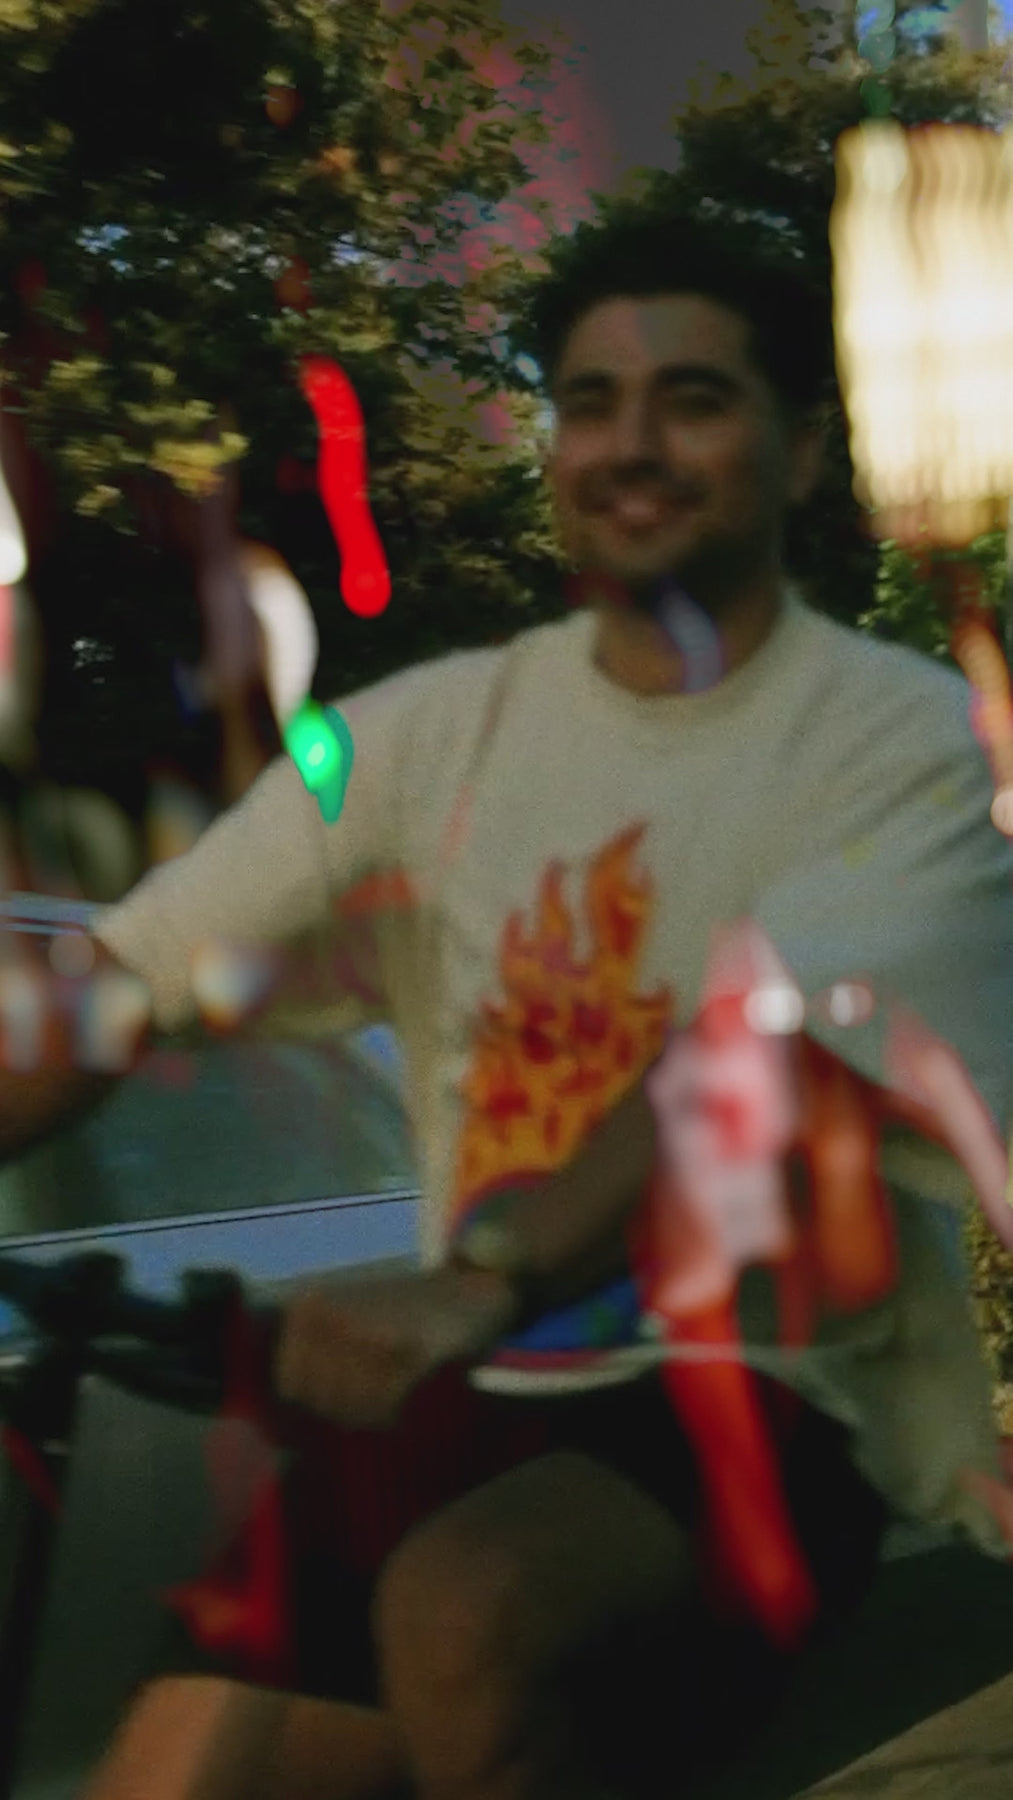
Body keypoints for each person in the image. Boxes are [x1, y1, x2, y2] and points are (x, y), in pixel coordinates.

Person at [2, 203, 1012, 1800]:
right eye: (591, 402)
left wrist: (484, 1273)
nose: (633, 444)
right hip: (461, 1396)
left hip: (763, 1394)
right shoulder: (430, 736)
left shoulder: (897, 744)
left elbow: (752, 1066)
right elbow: (123, 978)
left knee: (466, 1612)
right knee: (168, 1772)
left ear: (802, 450)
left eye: (692, 398)